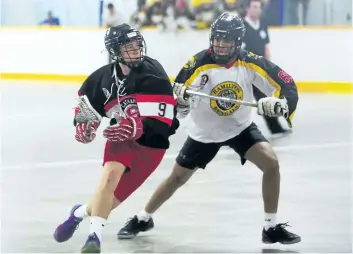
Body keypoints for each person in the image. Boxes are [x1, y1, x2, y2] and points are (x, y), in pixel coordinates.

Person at [117, 12, 301, 245]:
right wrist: (181, 101)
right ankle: (143, 217)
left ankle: (271, 227)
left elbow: (286, 82)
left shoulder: (251, 62)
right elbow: (179, 108)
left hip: (239, 128)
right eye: (217, 39)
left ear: (237, 42)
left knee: (271, 164)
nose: (220, 45)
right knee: (176, 179)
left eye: (227, 40)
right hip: (204, 134)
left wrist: (281, 103)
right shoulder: (196, 64)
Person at [52, 23, 179, 253]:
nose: (135, 50)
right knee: (110, 175)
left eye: (136, 44)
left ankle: (79, 213)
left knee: (108, 203)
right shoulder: (101, 79)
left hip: (152, 146)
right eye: (127, 46)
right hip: (119, 135)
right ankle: (94, 239)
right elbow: (84, 111)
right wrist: (84, 125)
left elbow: (165, 124)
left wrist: (139, 129)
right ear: (114, 51)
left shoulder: (154, 73)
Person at [242, 0, 288, 135]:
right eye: (254, 7)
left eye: (259, 7)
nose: (257, 10)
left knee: (264, 100)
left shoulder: (262, 25)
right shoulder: (242, 27)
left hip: (259, 71)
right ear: (247, 8)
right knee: (238, 103)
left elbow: (266, 47)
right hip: (244, 71)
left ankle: (275, 128)